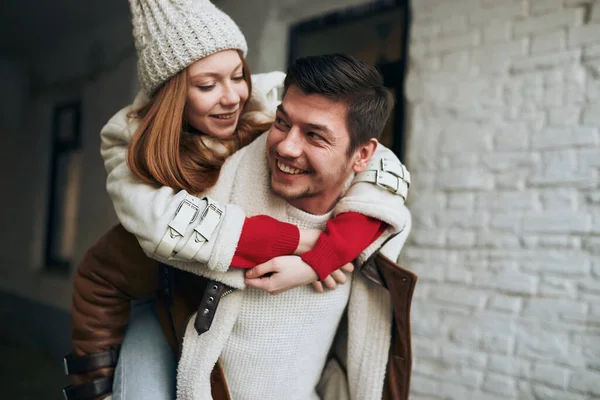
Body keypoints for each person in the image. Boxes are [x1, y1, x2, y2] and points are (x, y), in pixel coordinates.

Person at [63, 1, 412, 400]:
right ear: (172, 95)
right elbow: (155, 234)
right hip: (157, 307)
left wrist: (327, 255)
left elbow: (383, 165)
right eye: (207, 85)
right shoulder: (138, 158)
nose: (232, 98)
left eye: (237, 75)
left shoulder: (265, 104)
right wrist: (304, 244)